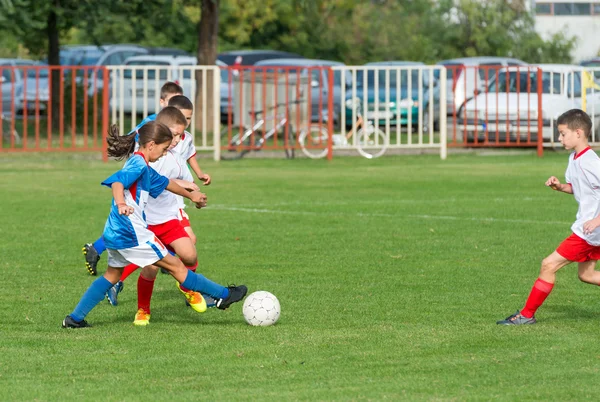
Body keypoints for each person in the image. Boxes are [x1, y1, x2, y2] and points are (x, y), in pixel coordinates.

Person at [62, 121, 247, 329]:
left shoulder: (143, 165)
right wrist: (122, 203)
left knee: (112, 275)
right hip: (132, 232)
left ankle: (74, 319)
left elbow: (166, 182)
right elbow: (117, 182)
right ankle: (224, 295)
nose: (165, 154)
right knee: (176, 266)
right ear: (150, 145)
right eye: (164, 149)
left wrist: (191, 195)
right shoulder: (138, 164)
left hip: (115, 231)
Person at [497, 109, 600, 325]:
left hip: (589, 230)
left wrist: (596, 221)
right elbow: (579, 188)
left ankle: (526, 315)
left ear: (578, 132)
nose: (559, 138)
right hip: (590, 229)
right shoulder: (574, 158)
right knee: (587, 275)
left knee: (548, 264)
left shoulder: (591, 162)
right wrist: (560, 186)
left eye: (563, 134)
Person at [82, 82, 187, 276]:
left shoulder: (175, 130)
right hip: (138, 172)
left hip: (148, 174)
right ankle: (166, 261)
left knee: (138, 222)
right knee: (137, 223)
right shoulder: (153, 125)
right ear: (163, 102)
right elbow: (134, 140)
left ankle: (98, 249)